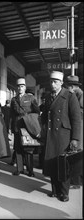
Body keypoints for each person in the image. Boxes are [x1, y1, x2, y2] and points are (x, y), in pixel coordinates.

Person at [41, 71, 81, 202]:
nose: (52, 84)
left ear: (61, 83)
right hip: (50, 134)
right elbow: (45, 116)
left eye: (55, 82)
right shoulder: (48, 96)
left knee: (63, 165)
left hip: (64, 135)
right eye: (51, 82)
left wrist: (75, 138)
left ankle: (64, 193)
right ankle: (54, 190)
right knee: (52, 162)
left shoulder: (70, 96)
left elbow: (76, 119)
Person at [10, 78, 40, 177]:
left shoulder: (31, 98)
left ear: (25, 87)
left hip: (27, 127)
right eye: (18, 86)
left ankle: (30, 170)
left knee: (28, 149)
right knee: (18, 148)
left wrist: (33, 123)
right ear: (16, 88)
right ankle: (19, 169)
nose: (20, 88)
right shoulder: (13, 99)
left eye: (22, 86)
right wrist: (10, 127)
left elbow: (37, 112)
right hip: (17, 126)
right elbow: (11, 114)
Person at [65, 75, 83, 189]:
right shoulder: (77, 94)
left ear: (72, 86)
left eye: (67, 87)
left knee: (76, 153)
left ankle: (76, 182)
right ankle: (74, 180)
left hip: (79, 126)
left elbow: (79, 111)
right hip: (78, 125)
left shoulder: (79, 95)